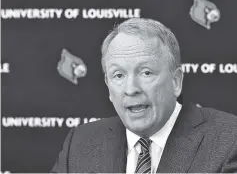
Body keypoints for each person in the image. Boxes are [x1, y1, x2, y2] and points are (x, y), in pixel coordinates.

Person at [52, 18, 237, 173]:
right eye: (119, 75)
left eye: (146, 73)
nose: (131, 89)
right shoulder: (80, 144)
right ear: (108, 86)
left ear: (176, 81)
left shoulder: (229, 140)